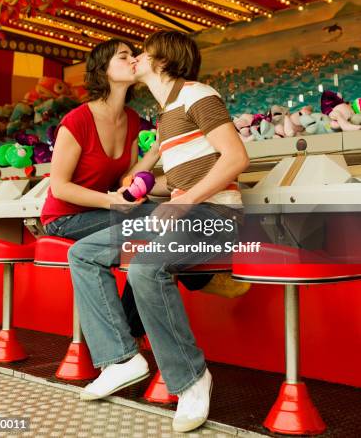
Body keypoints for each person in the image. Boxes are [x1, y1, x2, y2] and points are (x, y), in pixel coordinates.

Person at [68, 31, 250, 433]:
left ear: (162, 60)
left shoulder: (198, 94)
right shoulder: (167, 114)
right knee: (82, 253)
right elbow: (187, 173)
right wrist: (148, 185)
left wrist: (183, 201)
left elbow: (236, 157)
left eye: (141, 53)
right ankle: (121, 357)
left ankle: (190, 377)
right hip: (183, 213)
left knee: (145, 269)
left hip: (215, 217)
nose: (135, 58)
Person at [40, 39, 160, 337]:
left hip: (103, 211)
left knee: (155, 237)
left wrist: (156, 151)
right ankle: (125, 336)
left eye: (134, 55)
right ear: (103, 70)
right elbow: (60, 187)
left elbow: (126, 180)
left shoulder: (132, 120)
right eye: (123, 56)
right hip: (64, 218)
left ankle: (129, 332)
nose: (133, 60)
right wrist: (112, 202)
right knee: (157, 220)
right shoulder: (76, 120)